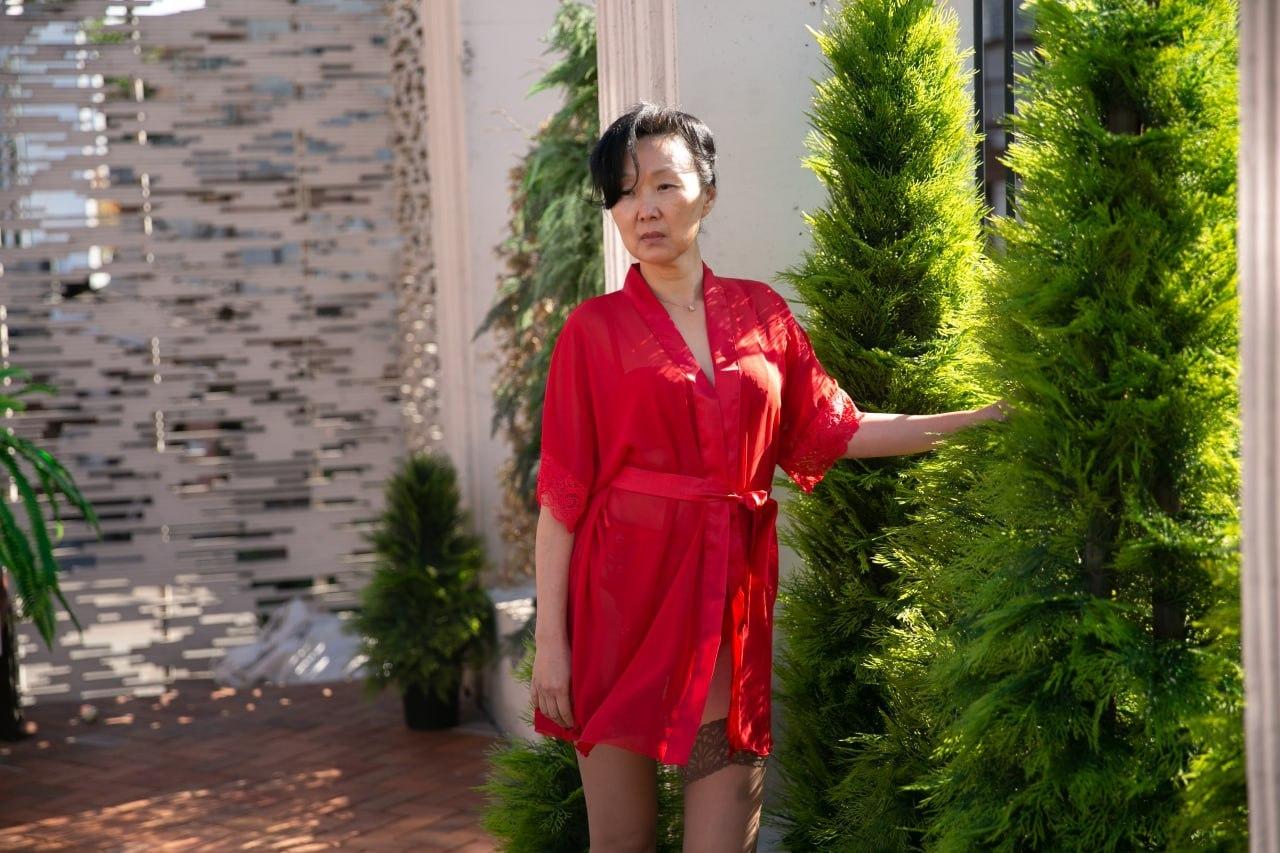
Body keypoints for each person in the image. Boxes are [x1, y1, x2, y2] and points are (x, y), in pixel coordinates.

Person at [529, 102, 1007, 852]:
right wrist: (550, 645)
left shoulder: (761, 313)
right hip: (616, 604)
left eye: (663, 184)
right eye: (623, 192)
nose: (644, 208)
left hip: (727, 595)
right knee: (621, 841)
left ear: (707, 193)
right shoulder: (591, 331)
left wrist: (973, 420)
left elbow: (833, 428)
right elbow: (562, 500)